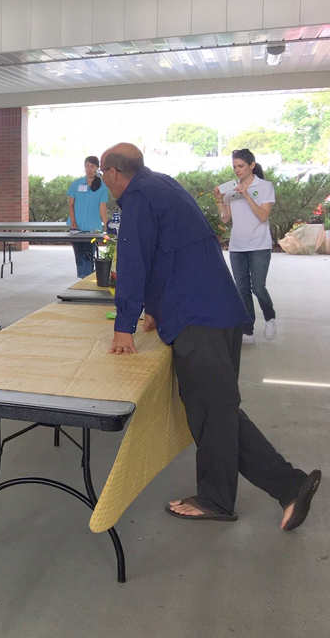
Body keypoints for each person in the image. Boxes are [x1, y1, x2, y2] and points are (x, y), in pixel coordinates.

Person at [101, 142, 320, 528]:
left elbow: (134, 260)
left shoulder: (136, 198)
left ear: (114, 173)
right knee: (216, 410)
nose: (105, 183)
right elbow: (172, 254)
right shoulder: (165, 185)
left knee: (211, 411)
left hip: (198, 317)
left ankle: (223, 498)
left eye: (104, 176)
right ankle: (289, 485)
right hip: (218, 311)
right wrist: (154, 308)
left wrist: (124, 326)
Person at [214, 148, 277, 343]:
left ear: (251, 165)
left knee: (258, 288)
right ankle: (248, 329)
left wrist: (247, 195)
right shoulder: (232, 190)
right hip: (237, 247)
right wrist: (219, 200)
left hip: (259, 245)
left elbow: (263, 216)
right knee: (242, 289)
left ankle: (270, 317)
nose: (237, 170)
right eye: (234, 166)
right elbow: (225, 219)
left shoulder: (265, 186)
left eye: (241, 166)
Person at [68, 155, 110, 278]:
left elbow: (102, 207)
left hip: (93, 228)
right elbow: (71, 205)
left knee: (89, 255)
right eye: (87, 166)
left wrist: (107, 225)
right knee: (79, 256)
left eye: (92, 166)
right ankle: (82, 278)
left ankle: (86, 279)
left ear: (97, 168)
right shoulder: (76, 184)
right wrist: (73, 221)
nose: (89, 169)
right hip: (76, 227)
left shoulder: (102, 187)